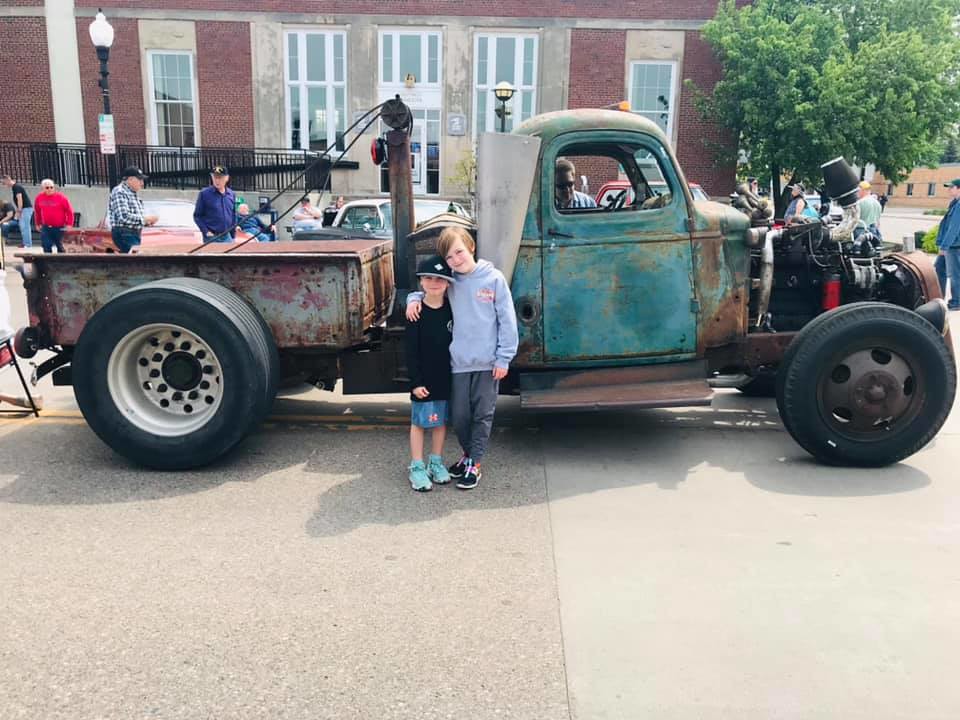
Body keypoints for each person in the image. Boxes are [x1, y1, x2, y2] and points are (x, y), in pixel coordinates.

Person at [406, 226, 519, 490]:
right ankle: (469, 455)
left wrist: (504, 358)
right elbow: (429, 290)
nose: (456, 260)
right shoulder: (452, 281)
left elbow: (507, 320)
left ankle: (474, 463)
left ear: (471, 247)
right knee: (458, 417)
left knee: (482, 415)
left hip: (488, 363)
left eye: (458, 252)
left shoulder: (494, 279)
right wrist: (413, 298)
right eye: (449, 257)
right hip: (458, 364)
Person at [405, 255, 456, 492]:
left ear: (448, 283)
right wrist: (415, 382)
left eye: (439, 279)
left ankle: (436, 461)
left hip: (444, 376)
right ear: (421, 282)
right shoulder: (415, 312)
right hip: (423, 379)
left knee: (439, 422)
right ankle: (417, 466)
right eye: (428, 278)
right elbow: (410, 350)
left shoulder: (452, 310)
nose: (434, 282)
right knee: (419, 422)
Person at [108, 166, 158, 253]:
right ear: (130, 179)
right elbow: (123, 217)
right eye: (140, 180)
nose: (142, 183)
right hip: (125, 233)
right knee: (139, 262)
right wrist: (146, 219)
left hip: (131, 233)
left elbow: (132, 217)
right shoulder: (120, 192)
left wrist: (146, 222)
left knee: (138, 262)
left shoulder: (131, 193)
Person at [934, 178, 960, 310]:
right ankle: (938, 298)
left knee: (955, 275)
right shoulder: (955, 203)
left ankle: (957, 302)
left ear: (959, 188)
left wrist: (944, 246)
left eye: (952, 187)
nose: (949, 189)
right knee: (938, 269)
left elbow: (954, 228)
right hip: (950, 245)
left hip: (954, 246)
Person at [193, 166, 236, 243]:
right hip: (212, 237)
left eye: (220, 178)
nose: (217, 180)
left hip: (227, 236)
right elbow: (197, 216)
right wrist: (206, 231)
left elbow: (233, 214)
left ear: (227, 178)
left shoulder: (231, 194)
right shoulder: (205, 194)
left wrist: (233, 234)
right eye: (214, 177)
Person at [33, 179, 74, 253]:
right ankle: (48, 263)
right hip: (46, 227)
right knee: (46, 245)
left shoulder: (61, 198)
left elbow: (69, 211)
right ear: (43, 188)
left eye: (51, 187)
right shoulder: (39, 198)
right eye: (47, 187)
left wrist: (69, 224)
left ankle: (61, 263)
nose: (50, 189)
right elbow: (37, 212)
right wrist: (37, 224)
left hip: (60, 227)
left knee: (61, 247)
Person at [1, 174, 33, 249]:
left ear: (7, 179)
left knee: (25, 226)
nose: (4, 185)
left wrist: (19, 210)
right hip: (24, 209)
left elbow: (19, 199)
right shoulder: (15, 187)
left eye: (4, 183)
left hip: (25, 209)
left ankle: (28, 244)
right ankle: (25, 243)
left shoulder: (16, 187)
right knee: (23, 226)